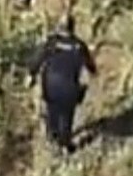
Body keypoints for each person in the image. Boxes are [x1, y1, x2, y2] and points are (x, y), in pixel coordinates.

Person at [27, 12, 96, 153]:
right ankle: (64, 142)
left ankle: (53, 137)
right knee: (66, 114)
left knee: (53, 110)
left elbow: (37, 59)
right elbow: (90, 66)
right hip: (69, 86)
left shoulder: (52, 42)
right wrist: (92, 75)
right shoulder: (79, 46)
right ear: (73, 28)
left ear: (59, 28)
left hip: (50, 84)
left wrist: (31, 75)